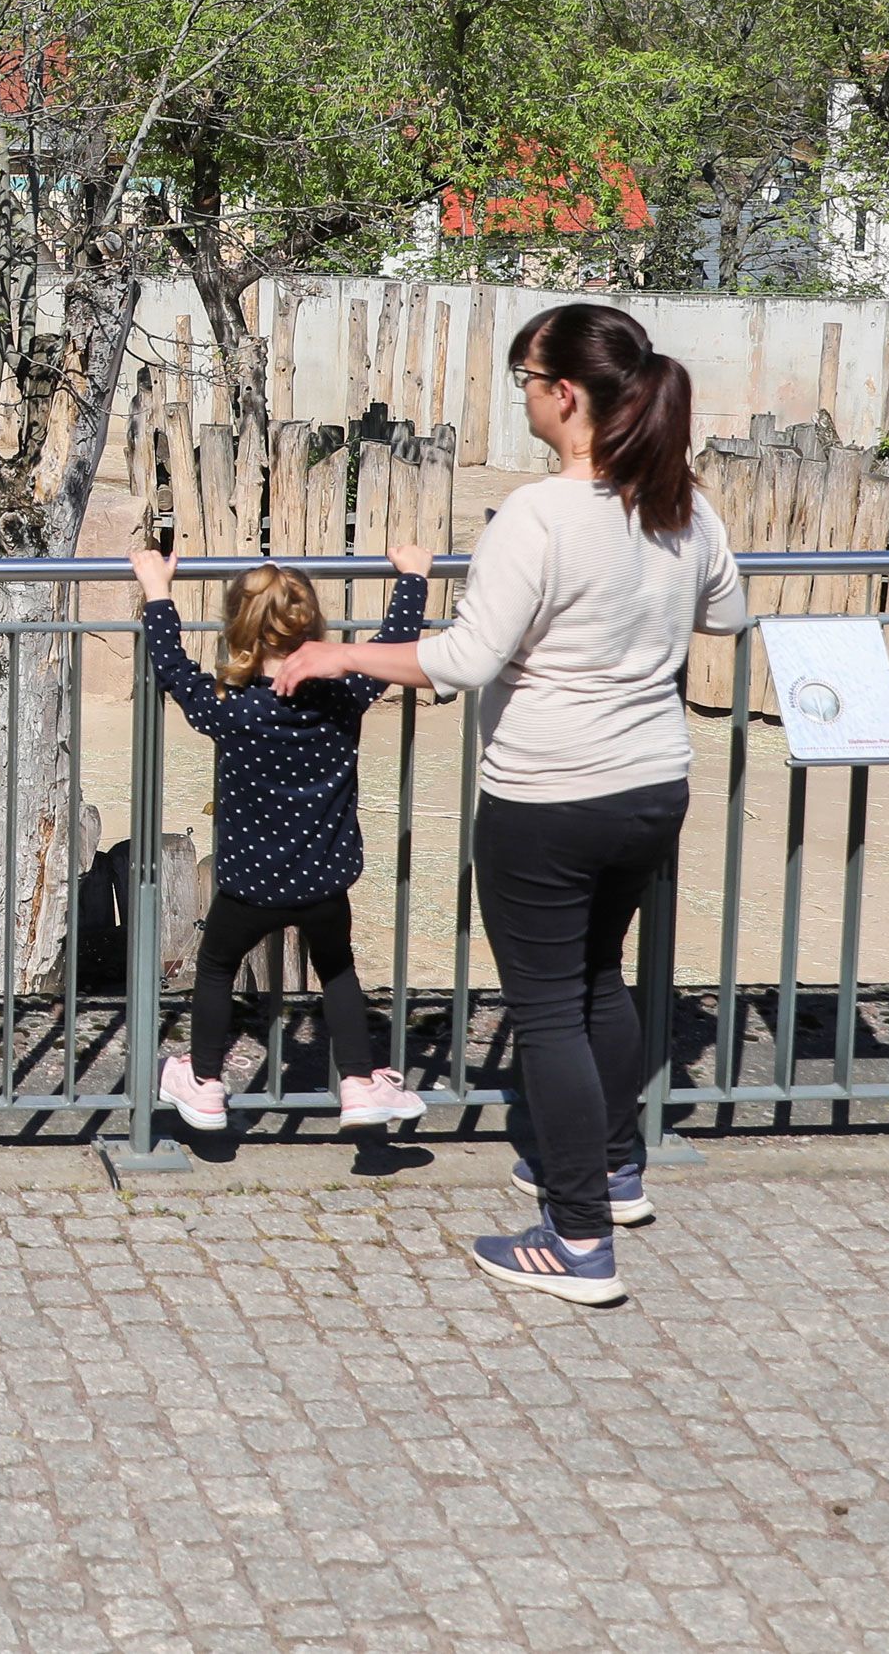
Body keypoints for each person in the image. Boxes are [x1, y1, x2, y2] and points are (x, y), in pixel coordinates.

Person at [270, 303, 745, 1306]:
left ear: (565, 393)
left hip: (548, 795)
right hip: (652, 784)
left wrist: (336, 651)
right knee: (596, 982)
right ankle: (612, 1172)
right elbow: (727, 613)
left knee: (549, 1011)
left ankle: (575, 1237)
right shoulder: (681, 504)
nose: (522, 391)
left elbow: (465, 658)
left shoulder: (537, 514)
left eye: (527, 375)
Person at [133, 543, 435, 1134]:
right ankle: (358, 1083)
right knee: (339, 969)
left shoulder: (228, 707)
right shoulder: (345, 697)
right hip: (324, 880)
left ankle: (203, 1082)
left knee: (217, 967)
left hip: (249, 884)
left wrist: (157, 592)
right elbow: (390, 646)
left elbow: (172, 667)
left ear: (237, 629)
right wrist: (415, 579)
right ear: (314, 627)